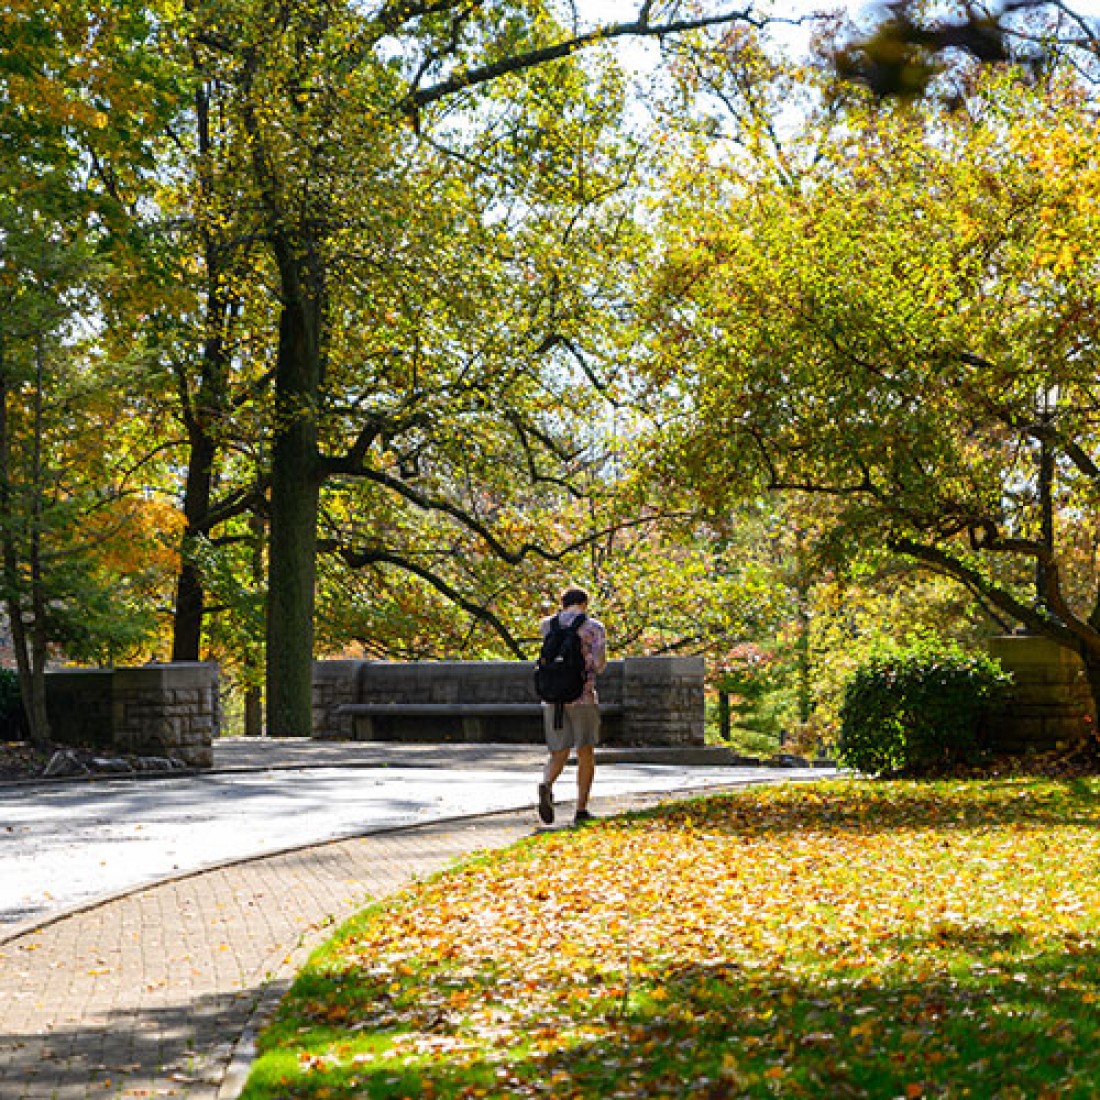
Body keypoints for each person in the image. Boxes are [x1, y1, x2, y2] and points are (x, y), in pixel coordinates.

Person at [537, 586, 607, 826]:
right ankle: (581, 809)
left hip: (553, 698)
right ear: (585, 603)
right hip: (583, 697)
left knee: (558, 752)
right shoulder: (594, 627)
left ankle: (546, 784)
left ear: (563, 602)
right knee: (585, 751)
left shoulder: (547, 625)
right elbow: (598, 664)